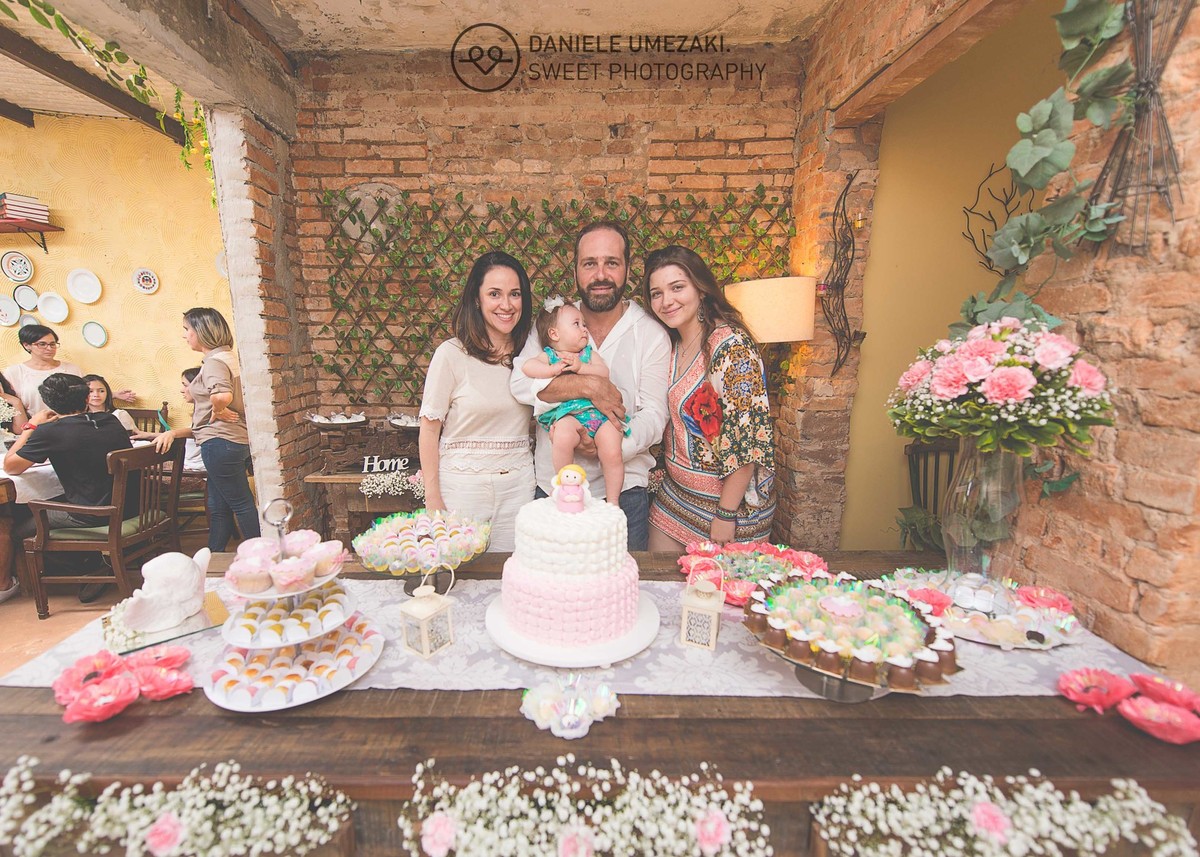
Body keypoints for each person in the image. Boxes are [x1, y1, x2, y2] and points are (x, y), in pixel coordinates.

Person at [511, 221, 670, 550]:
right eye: (589, 263)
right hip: (553, 491)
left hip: (625, 496)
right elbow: (521, 383)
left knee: (620, 582)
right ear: (576, 271)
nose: (600, 274)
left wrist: (607, 445)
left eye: (611, 262)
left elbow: (655, 416)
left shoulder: (650, 334)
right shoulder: (553, 324)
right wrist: (588, 388)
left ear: (627, 268)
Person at [642, 245, 776, 550]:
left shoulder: (732, 348)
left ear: (701, 289)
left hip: (728, 509)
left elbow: (748, 439)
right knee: (657, 577)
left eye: (677, 287)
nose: (666, 301)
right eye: (656, 293)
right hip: (675, 498)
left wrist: (726, 513)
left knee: (717, 584)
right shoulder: (669, 344)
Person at [419, 251, 535, 552]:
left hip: (519, 488)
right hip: (461, 490)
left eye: (515, 294)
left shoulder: (531, 357)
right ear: (476, 299)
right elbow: (429, 431)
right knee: (460, 573)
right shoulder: (451, 354)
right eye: (494, 294)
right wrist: (433, 497)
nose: (506, 305)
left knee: (513, 572)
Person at [1, 373, 135, 603]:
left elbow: (10, 466)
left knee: (18, 526)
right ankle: (91, 562)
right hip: (130, 505)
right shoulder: (110, 420)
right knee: (46, 501)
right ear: (86, 398)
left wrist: (31, 426)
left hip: (93, 514)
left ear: (48, 403)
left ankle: (89, 567)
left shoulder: (50, 432)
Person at [522, 298, 627, 507]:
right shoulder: (550, 356)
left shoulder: (588, 355)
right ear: (554, 334)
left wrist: (581, 368)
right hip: (568, 415)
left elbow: (603, 372)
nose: (584, 329)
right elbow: (528, 367)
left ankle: (613, 500)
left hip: (597, 415)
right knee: (561, 436)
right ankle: (565, 487)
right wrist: (551, 370)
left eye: (584, 324)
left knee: (613, 449)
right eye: (576, 324)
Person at [182, 307, 260, 551]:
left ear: (201, 331)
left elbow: (222, 395)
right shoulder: (229, 357)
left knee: (241, 504)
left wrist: (218, 409)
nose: (184, 335)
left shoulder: (214, 363)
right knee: (218, 505)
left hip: (220, 441)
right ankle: (214, 555)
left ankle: (265, 556)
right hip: (233, 441)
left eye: (187, 329)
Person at [2, 325, 83, 415]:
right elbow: (10, 406)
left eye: (52, 344)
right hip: (34, 422)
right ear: (26, 345)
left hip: (72, 421)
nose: (49, 348)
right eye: (42, 344)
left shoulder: (72, 369)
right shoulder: (14, 372)